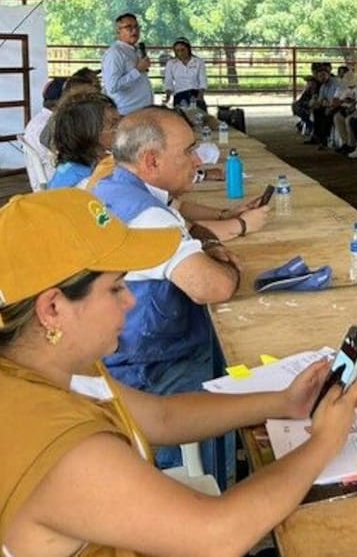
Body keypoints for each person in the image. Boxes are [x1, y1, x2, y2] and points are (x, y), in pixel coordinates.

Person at [0, 188, 357, 556]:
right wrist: (324, 442)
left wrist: (282, 402)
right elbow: (217, 537)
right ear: (54, 308)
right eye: (117, 287)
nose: (130, 300)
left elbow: (160, 418)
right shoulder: (60, 448)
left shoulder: (17, 363)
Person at [88, 107, 269, 477]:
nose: (196, 160)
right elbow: (213, 288)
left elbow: (184, 223)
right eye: (187, 151)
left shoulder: (113, 187)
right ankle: (212, 477)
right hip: (152, 367)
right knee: (254, 362)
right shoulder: (148, 217)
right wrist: (230, 266)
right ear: (151, 160)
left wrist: (204, 244)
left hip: (120, 356)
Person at [48, 92, 121, 190]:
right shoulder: (86, 180)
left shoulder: (81, 166)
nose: (121, 128)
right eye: (113, 125)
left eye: (120, 121)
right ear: (88, 133)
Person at [100, 13, 154, 116]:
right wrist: (137, 70)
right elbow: (113, 86)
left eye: (136, 27)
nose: (134, 31)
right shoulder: (115, 53)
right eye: (128, 27)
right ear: (118, 31)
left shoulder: (134, 50)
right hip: (126, 114)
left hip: (141, 112)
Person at [162, 37, 208, 109]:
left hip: (195, 94)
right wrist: (167, 96)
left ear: (188, 49)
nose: (180, 53)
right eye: (177, 51)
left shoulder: (198, 62)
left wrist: (200, 96)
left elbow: (203, 81)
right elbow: (168, 81)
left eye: (183, 50)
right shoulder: (171, 63)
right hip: (179, 95)